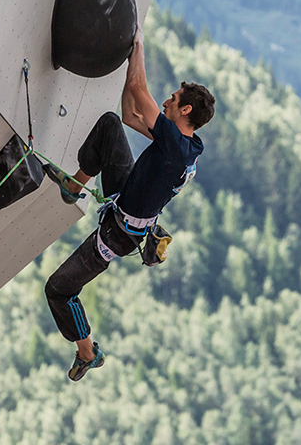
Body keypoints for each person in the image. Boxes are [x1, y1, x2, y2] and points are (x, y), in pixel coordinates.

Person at [42, 31, 214, 381]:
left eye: (173, 99)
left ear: (186, 110)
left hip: (118, 234)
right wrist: (127, 71)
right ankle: (75, 185)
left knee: (59, 289)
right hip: (126, 195)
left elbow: (138, 89)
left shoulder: (176, 147)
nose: (166, 101)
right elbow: (129, 116)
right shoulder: (188, 146)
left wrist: (137, 48)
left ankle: (87, 352)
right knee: (108, 125)